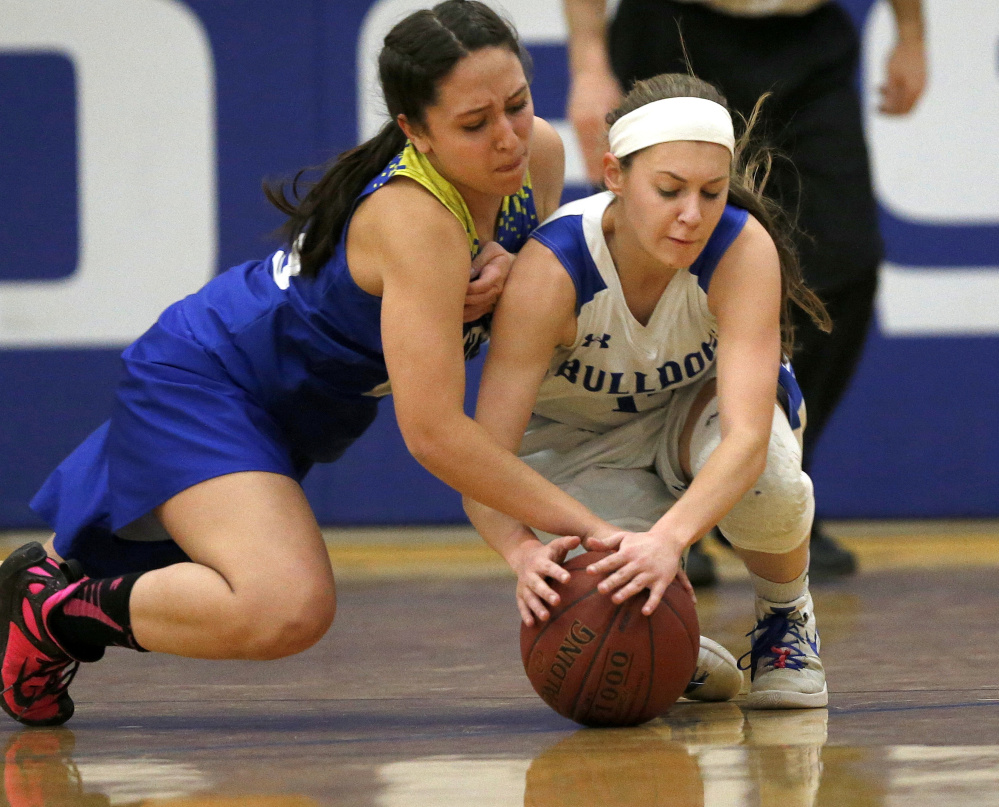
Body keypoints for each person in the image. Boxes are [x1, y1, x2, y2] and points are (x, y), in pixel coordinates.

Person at [1, 0, 737, 729]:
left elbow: (540, 286)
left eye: (516, 103)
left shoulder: (537, 154)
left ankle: (59, 585)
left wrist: (511, 267)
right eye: (475, 125)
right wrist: (595, 535)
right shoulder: (414, 219)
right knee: (286, 607)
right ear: (414, 131)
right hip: (209, 381)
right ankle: (56, 612)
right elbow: (434, 435)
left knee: (226, 575)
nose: (509, 137)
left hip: (294, 402)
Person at [464, 72, 833, 708]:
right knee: (604, 602)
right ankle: (671, 643)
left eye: (711, 192)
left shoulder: (741, 250)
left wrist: (669, 541)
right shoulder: (550, 274)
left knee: (769, 475)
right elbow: (481, 459)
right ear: (613, 174)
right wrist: (521, 551)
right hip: (585, 447)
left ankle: (786, 619)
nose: (692, 214)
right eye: (669, 190)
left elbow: (744, 438)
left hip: (698, 417)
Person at [563, 0, 927, 584]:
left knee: (846, 265)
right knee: (667, 257)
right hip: (675, 32)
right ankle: (670, 508)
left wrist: (911, 31)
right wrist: (587, 62)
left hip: (808, 41)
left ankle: (762, 489)